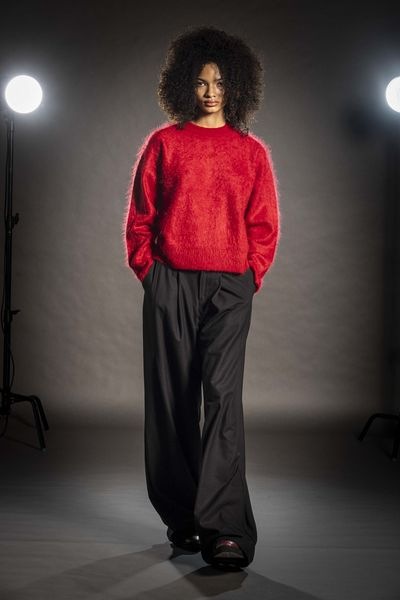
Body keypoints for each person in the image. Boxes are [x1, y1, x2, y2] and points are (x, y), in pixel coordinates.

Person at [123, 25, 281, 570]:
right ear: (183, 85)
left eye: (220, 82)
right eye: (200, 82)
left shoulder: (250, 152)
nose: (211, 92)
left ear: (236, 85)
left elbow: (264, 225)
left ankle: (225, 530)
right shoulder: (164, 144)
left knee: (222, 402)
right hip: (170, 281)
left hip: (229, 286)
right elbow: (140, 218)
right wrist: (150, 272)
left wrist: (249, 274)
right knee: (171, 403)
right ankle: (182, 516)